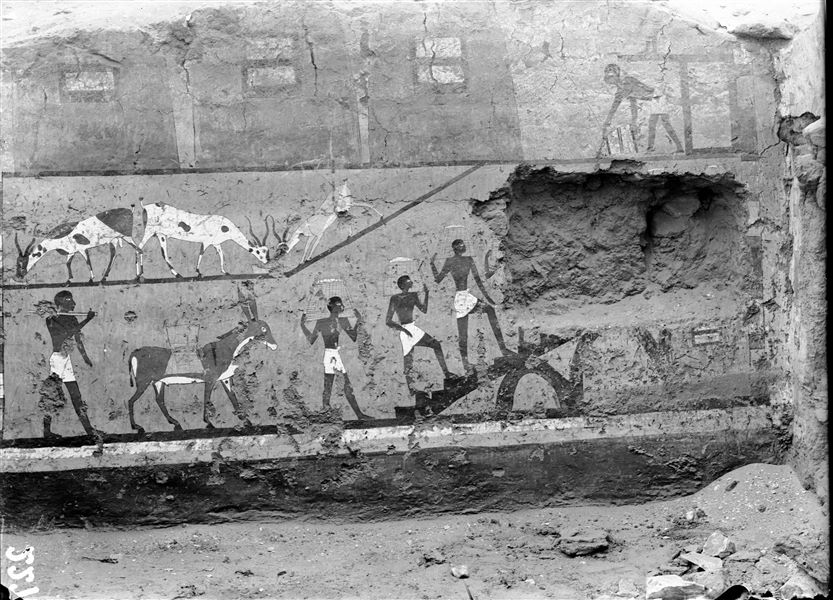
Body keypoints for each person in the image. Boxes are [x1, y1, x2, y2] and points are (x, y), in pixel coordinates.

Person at [430, 239, 512, 372]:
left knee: (489, 310)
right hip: (461, 298)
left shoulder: (468, 259)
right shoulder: (451, 261)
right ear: (455, 247)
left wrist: (488, 299)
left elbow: (479, 280)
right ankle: (466, 364)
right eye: (460, 244)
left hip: (467, 297)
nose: (464, 246)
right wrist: (432, 264)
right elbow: (438, 279)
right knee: (463, 334)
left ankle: (503, 349)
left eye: (463, 243)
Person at [41, 290, 102, 440]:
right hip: (57, 360)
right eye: (69, 301)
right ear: (61, 303)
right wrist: (87, 320)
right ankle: (46, 431)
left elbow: (77, 340)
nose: (73, 303)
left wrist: (85, 358)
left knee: (76, 395)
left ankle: (89, 430)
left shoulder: (72, 319)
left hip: (65, 359)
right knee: (53, 395)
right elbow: (66, 334)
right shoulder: (51, 320)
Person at [300, 296, 373, 420]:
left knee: (337, 385)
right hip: (330, 355)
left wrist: (359, 320)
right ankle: (355, 414)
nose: (341, 306)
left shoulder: (341, 320)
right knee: (334, 385)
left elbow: (353, 336)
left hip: (333, 354)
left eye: (341, 304)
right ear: (332, 307)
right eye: (339, 304)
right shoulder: (325, 322)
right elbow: (312, 339)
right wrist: (302, 325)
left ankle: (336, 414)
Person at [385, 275, 457, 393]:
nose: (411, 282)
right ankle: (412, 389)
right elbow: (388, 321)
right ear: (403, 285)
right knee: (408, 360)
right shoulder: (394, 298)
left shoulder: (413, 295)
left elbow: (424, 310)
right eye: (409, 281)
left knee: (436, 345)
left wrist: (427, 293)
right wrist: (404, 330)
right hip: (405, 331)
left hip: (413, 329)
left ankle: (447, 374)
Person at [600, 63, 683, 155]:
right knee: (653, 124)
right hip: (652, 100)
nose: (609, 78)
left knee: (663, 124)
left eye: (611, 75)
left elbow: (617, 105)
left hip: (657, 98)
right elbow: (631, 104)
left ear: (617, 74)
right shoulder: (621, 88)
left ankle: (674, 147)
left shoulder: (627, 82)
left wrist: (608, 121)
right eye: (608, 75)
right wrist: (633, 121)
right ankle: (652, 149)